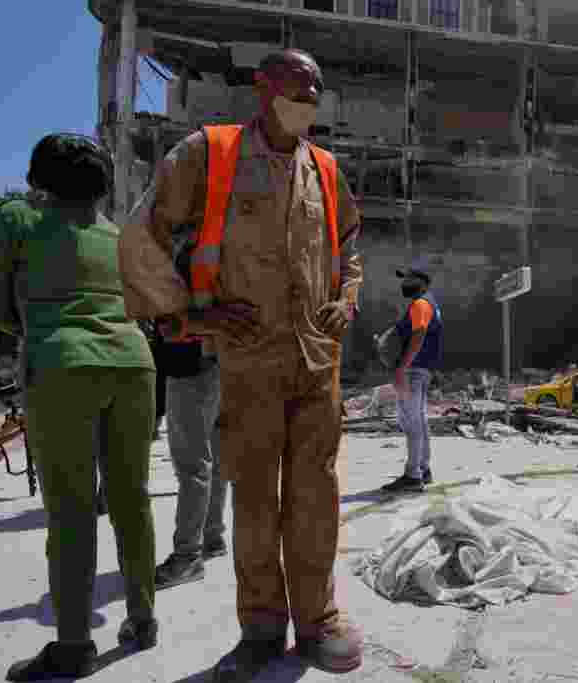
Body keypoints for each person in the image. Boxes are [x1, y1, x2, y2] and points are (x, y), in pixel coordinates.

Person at [127, 48, 365, 681]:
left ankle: (318, 621)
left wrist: (346, 298)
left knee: (315, 498)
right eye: (295, 90)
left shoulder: (325, 168)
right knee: (256, 501)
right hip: (250, 362)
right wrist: (186, 314)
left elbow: (348, 245)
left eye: (314, 93)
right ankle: (261, 627)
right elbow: (144, 233)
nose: (307, 101)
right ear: (262, 90)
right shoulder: (211, 154)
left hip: (317, 363)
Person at [0, 134, 158, 681]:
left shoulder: (19, 219)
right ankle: (142, 619)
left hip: (63, 367)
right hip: (134, 363)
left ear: (40, 180)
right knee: (132, 499)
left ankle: (72, 646)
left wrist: (33, 327)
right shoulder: (118, 235)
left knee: (71, 510)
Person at [153, 332, 228, 589]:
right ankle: (212, 536)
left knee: (192, 465)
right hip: (220, 359)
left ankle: (188, 556)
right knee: (213, 456)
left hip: (189, 361)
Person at [381, 265, 444, 494]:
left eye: (410, 279)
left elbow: (418, 335)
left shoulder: (420, 304)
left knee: (411, 422)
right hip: (421, 370)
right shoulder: (430, 304)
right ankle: (423, 469)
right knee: (419, 420)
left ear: (423, 283)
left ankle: (412, 476)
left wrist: (401, 368)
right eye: (404, 279)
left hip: (413, 372)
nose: (405, 283)